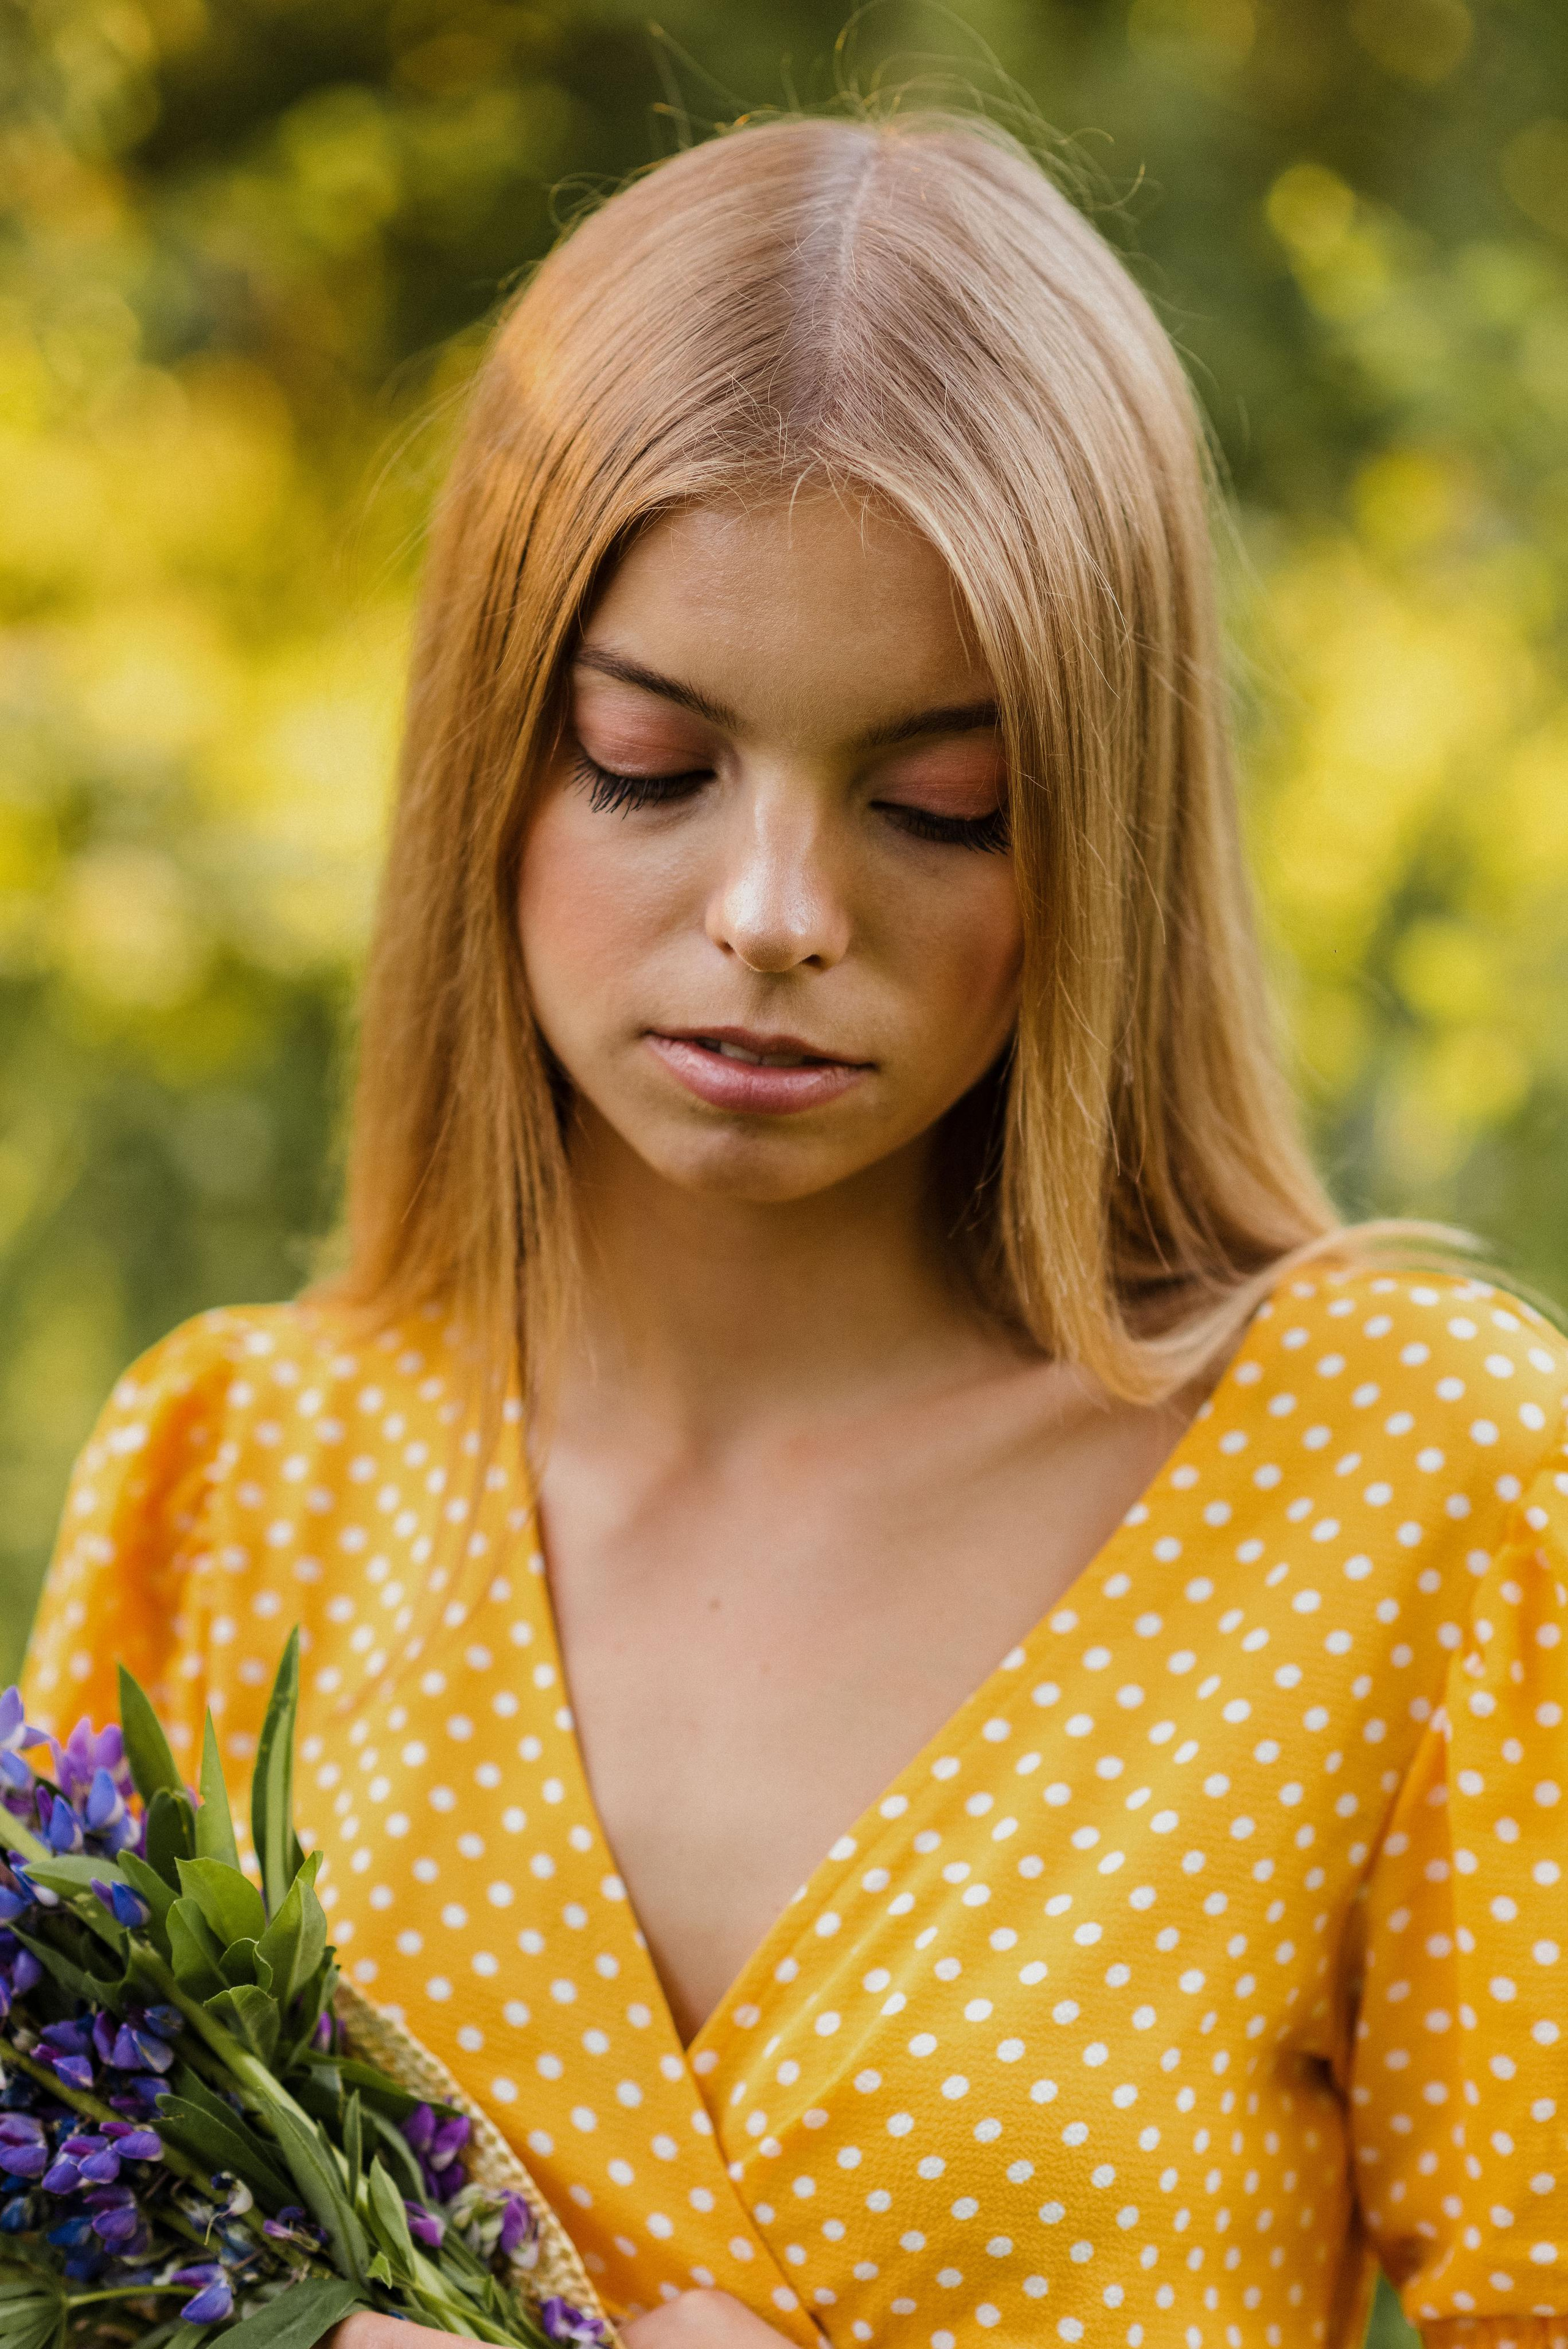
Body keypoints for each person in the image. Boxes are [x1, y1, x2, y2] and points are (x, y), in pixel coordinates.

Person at [21, 110, 1568, 2349]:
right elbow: (72, 2262)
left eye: (944, 804)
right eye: (652, 764)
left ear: (1104, 828)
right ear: (493, 756)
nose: (773, 915)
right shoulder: (243, 1478)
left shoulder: (1412, 1480)